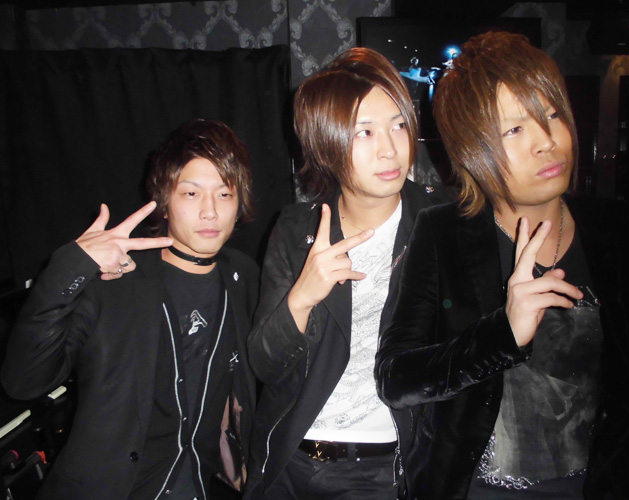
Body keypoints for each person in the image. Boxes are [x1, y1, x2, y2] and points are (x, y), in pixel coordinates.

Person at [375, 31, 629, 500]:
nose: (546, 141)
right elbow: (396, 379)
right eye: (514, 130)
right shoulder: (443, 234)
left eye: (552, 116)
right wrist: (502, 335)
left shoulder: (613, 229)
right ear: (473, 149)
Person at [1, 119, 259, 500]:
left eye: (224, 194)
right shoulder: (115, 282)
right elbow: (23, 380)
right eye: (191, 193)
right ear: (164, 202)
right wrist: (73, 265)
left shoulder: (244, 277)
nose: (210, 211)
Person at [244, 47, 444, 500]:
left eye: (398, 125)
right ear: (326, 146)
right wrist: (302, 297)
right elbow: (263, 364)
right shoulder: (296, 230)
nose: (390, 148)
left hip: (379, 471)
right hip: (288, 460)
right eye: (364, 132)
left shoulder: (440, 226)